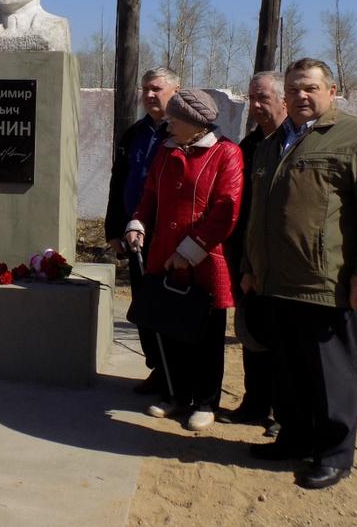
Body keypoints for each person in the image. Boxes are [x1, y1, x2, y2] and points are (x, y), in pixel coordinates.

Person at [242, 58, 357, 490]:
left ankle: (334, 453)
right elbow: (257, 216)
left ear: (332, 91)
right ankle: (294, 438)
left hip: (325, 284)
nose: (300, 96)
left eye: (310, 88)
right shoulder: (272, 144)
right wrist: (252, 267)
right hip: (276, 282)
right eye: (293, 89)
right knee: (288, 371)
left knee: (332, 375)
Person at [124, 89, 243, 432]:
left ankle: (206, 401)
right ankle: (176, 394)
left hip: (204, 259)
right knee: (170, 326)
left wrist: (190, 250)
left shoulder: (226, 154)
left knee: (206, 332)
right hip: (164, 255)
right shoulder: (166, 151)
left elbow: (226, 210)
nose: (168, 123)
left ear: (194, 122)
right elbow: (149, 196)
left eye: (174, 118)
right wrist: (138, 224)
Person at [217, 72, 287, 432]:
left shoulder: (293, 144)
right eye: (252, 99)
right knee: (251, 332)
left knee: (280, 340)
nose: (257, 106)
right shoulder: (248, 147)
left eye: (263, 98)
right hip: (246, 257)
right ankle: (255, 401)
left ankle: (279, 411)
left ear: (282, 101)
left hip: (283, 265)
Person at [104, 66, 179, 395]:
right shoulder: (134, 133)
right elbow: (118, 182)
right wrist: (113, 229)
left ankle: (175, 373)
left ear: (175, 91)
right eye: (146, 89)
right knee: (144, 305)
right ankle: (156, 369)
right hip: (135, 239)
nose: (149, 95)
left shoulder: (183, 133)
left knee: (170, 307)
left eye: (157, 89)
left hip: (170, 239)